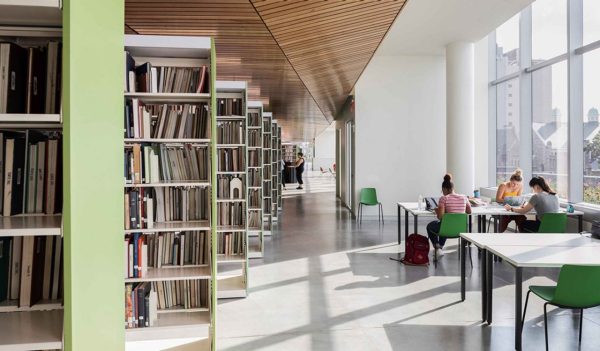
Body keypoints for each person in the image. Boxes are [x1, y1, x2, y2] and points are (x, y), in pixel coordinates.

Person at [426, 174, 472, 258]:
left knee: (431, 226)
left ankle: (437, 247)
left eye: (442, 190)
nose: (442, 192)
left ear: (444, 189)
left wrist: (438, 211)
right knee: (446, 223)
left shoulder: (444, 198)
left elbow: (440, 217)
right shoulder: (464, 197)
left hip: (447, 229)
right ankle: (440, 247)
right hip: (461, 229)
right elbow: (469, 211)